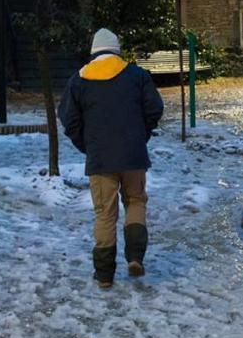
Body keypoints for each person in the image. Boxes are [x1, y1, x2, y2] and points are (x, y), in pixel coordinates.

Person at [57, 28, 164, 289]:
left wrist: (87, 145)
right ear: (117, 50)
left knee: (104, 213)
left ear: (93, 51)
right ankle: (135, 257)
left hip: (100, 158)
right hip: (133, 155)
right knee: (136, 201)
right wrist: (141, 135)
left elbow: (68, 119)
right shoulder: (137, 76)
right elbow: (155, 108)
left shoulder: (78, 80)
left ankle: (104, 275)